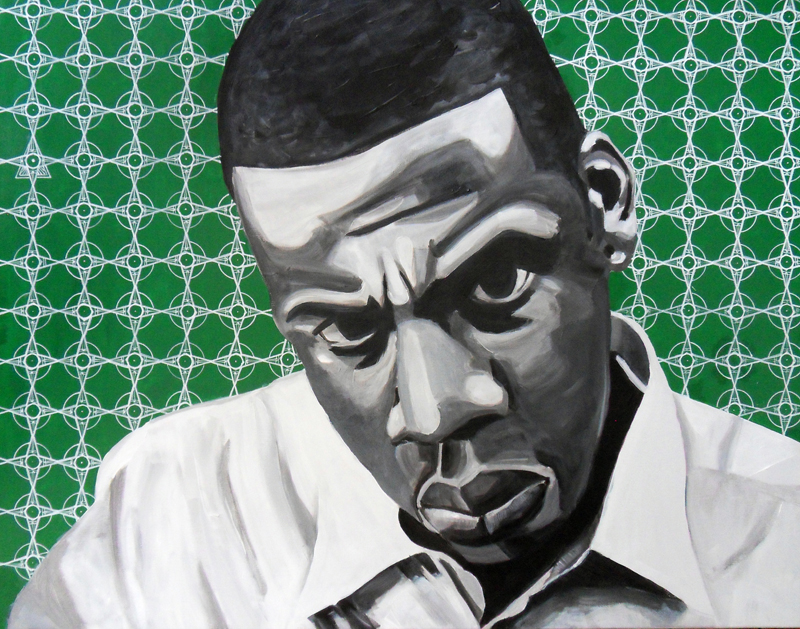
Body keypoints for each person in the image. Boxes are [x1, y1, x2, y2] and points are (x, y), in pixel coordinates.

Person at [10, 0, 800, 627]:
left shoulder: (781, 550)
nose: (437, 407)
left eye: (496, 281)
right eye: (350, 331)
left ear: (605, 202)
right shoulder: (161, 539)